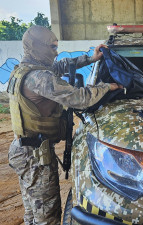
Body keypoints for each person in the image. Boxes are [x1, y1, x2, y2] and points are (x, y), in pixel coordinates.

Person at [7, 25, 122, 224]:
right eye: (52, 47)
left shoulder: (25, 69)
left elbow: (60, 66)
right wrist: (107, 86)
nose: (56, 52)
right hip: (34, 155)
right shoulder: (38, 78)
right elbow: (80, 98)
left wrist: (90, 58)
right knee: (46, 216)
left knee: (33, 212)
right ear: (38, 47)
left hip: (24, 149)